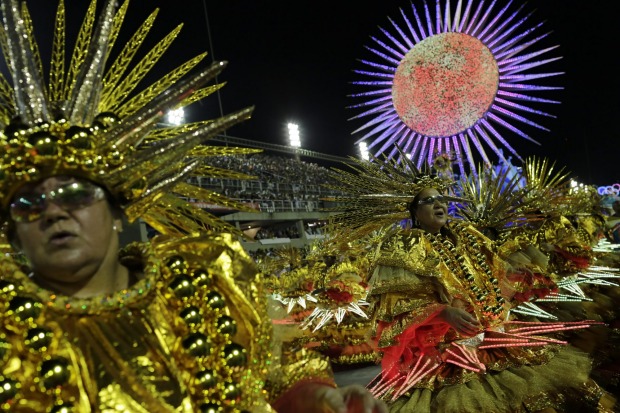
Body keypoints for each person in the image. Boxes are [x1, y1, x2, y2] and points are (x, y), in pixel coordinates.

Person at [0, 1, 387, 412]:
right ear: (13, 231)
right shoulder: (11, 334)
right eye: (28, 203)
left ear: (119, 211)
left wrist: (319, 396)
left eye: (75, 195)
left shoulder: (204, 286)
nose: (53, 212)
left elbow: (272, 374)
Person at [324, 154, 615, 412]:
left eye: (441, 199)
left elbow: (498, 274)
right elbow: (393, 305)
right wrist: (442, 312)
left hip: (494, 336)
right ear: (413, 211)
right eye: (428, 201)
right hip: (449, 352)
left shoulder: (467, 235)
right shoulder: (403, 247)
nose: (438, 204)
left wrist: (521, 280)